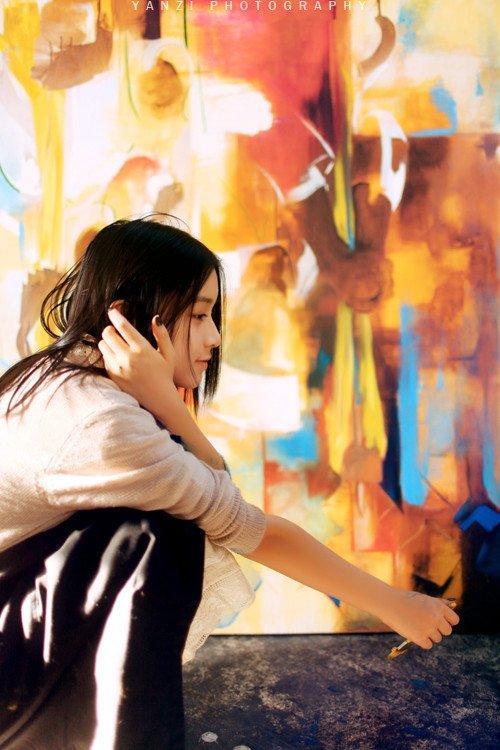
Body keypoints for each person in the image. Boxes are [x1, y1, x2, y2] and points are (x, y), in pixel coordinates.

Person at [0, 215, 460, 749]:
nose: (215, 337)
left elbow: (211, 490)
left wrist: (169, 407)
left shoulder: (63, 378)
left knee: (162, 519)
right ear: (126, 317)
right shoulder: (102, 422)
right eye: (199, 315)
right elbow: (240, 521)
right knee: (153, 533)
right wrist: (394, 604)